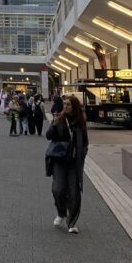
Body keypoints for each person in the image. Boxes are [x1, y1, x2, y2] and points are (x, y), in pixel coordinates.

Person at [45, 95, 89, 234]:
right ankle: (61, 212)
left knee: (74, 192)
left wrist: (82, 152)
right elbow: (48, 136)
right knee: (57, 189)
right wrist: (54, 123)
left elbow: (85, 141)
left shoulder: (80, 123)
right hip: (59, 159)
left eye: (68, 104)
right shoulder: (60, 119)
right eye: (64, 104)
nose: (65, 107)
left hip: (74, 161)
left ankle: (72, 222)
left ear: (74, 106)